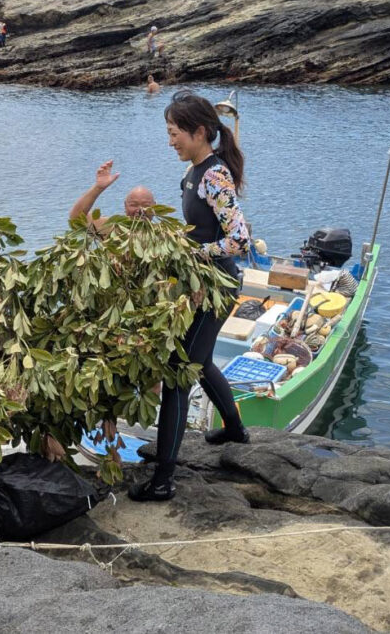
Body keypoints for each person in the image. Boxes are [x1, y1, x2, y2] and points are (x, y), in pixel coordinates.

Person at [128, 90, 252, 502]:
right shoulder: (192, 173)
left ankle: (163, 480)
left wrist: (194, 252)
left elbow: (239, 239)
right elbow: (199, 228)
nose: (170, 141)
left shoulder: (214, 175)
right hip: (200, 286)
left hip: (215, 287)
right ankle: (234, 430)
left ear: (200, 132)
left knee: (178, 373)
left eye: (174, 133)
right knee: (197, 362)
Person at [69, 160, 155, 232]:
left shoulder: (164, 235)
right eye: (133, 205)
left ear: (155, 207)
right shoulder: (112, 228)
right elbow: (76, 219)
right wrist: (98, 188)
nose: (140, 210)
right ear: (125, 206)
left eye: (146, 205)